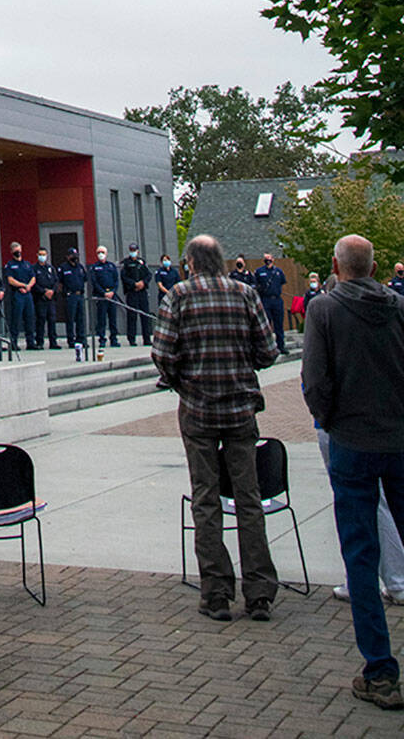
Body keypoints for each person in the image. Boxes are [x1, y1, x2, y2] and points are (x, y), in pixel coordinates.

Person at [151, 233, 278, 623]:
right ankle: (258, 594)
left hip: (198, 410)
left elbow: (162, 353)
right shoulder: (245, 294)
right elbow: (269, 350)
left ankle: (217, 593)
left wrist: (180, 381)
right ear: (222, 260)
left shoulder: (179, 296)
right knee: (249, 499)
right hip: (240, 409)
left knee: (206, 500)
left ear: (190, 262)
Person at [303, 234, 404, 710]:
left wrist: (330, 420)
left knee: (361, 558)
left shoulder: (324, 310)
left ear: (336, 267)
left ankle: (380, 671)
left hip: (351, 443)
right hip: (397, 439)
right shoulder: (398, 306)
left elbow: (315, 380)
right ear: (376, 265)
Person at [3, 242, 36, 350]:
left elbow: (33, 277)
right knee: (16, 319)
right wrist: (22, 285)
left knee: (30, 318)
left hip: (27, 294)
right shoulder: (10, 265)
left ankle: (30, 342)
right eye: (16, 250)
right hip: (17, 294)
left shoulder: (27, 264)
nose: (18, 252)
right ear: (12, 252)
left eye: (19, 250)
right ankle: (14, 342)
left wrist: (28, 286)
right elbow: (10, 280)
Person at [254, 252, 288, 356]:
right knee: (267, 324)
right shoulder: (260, 272)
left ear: (273, 259)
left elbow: (282, 282)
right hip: (266, 300)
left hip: (277, 299)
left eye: (269, 258)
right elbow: (256, 284)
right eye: (265, 258)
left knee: (279, 324)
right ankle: (268, 347)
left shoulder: (278, 271)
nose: (267, 260)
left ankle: (281, 346)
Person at [121, 244, 153, 346]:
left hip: (142, 292)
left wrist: (143, 283)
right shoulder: (126, 263)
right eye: (131, 250)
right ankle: (131, 339)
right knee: (132, 316)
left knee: (145, 315)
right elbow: (124, 277)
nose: (133, 251)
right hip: (132, 292)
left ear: (138, 251)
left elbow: (149, 275)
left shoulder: (142, 262)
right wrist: (133, 284)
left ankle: (147, 338)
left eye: (134, 250)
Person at [89, 244, 120, 347]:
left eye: (102, 252)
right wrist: (103, 293)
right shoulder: (95, 267)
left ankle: (114, 339)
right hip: (101, 297)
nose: (101, 254)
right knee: (101, 319)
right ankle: (102, 339)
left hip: (112, 296)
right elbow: (94, 282)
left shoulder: (111, 266)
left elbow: (116, 281)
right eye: (98, 253)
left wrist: (112, 292)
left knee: (113, 319)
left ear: (106, 254)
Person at [59, 248, 88, 351]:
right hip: (70, 295)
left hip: (79, 295)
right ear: (67, 256)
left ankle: (81, 339)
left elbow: (85, 278)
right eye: (72, 255)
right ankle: (71, 340)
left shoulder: (80, 267)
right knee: (70, 319)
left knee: (81, 318)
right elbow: (60, 282)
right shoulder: (63, 268)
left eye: (75, 255)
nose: (74, 257)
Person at [32, 248, 60, 349]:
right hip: (40, 298)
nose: (42, 256)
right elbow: (34, 283)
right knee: (40, 320)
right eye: (40, 254)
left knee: (52, 319)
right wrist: (44, 291)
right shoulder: (34, 268)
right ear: (37, 255)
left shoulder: (51, 268)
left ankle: (53, 342)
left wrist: (52, 291)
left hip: (51, 298)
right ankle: (39, 342)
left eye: (44, 254)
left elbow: (56, 281)